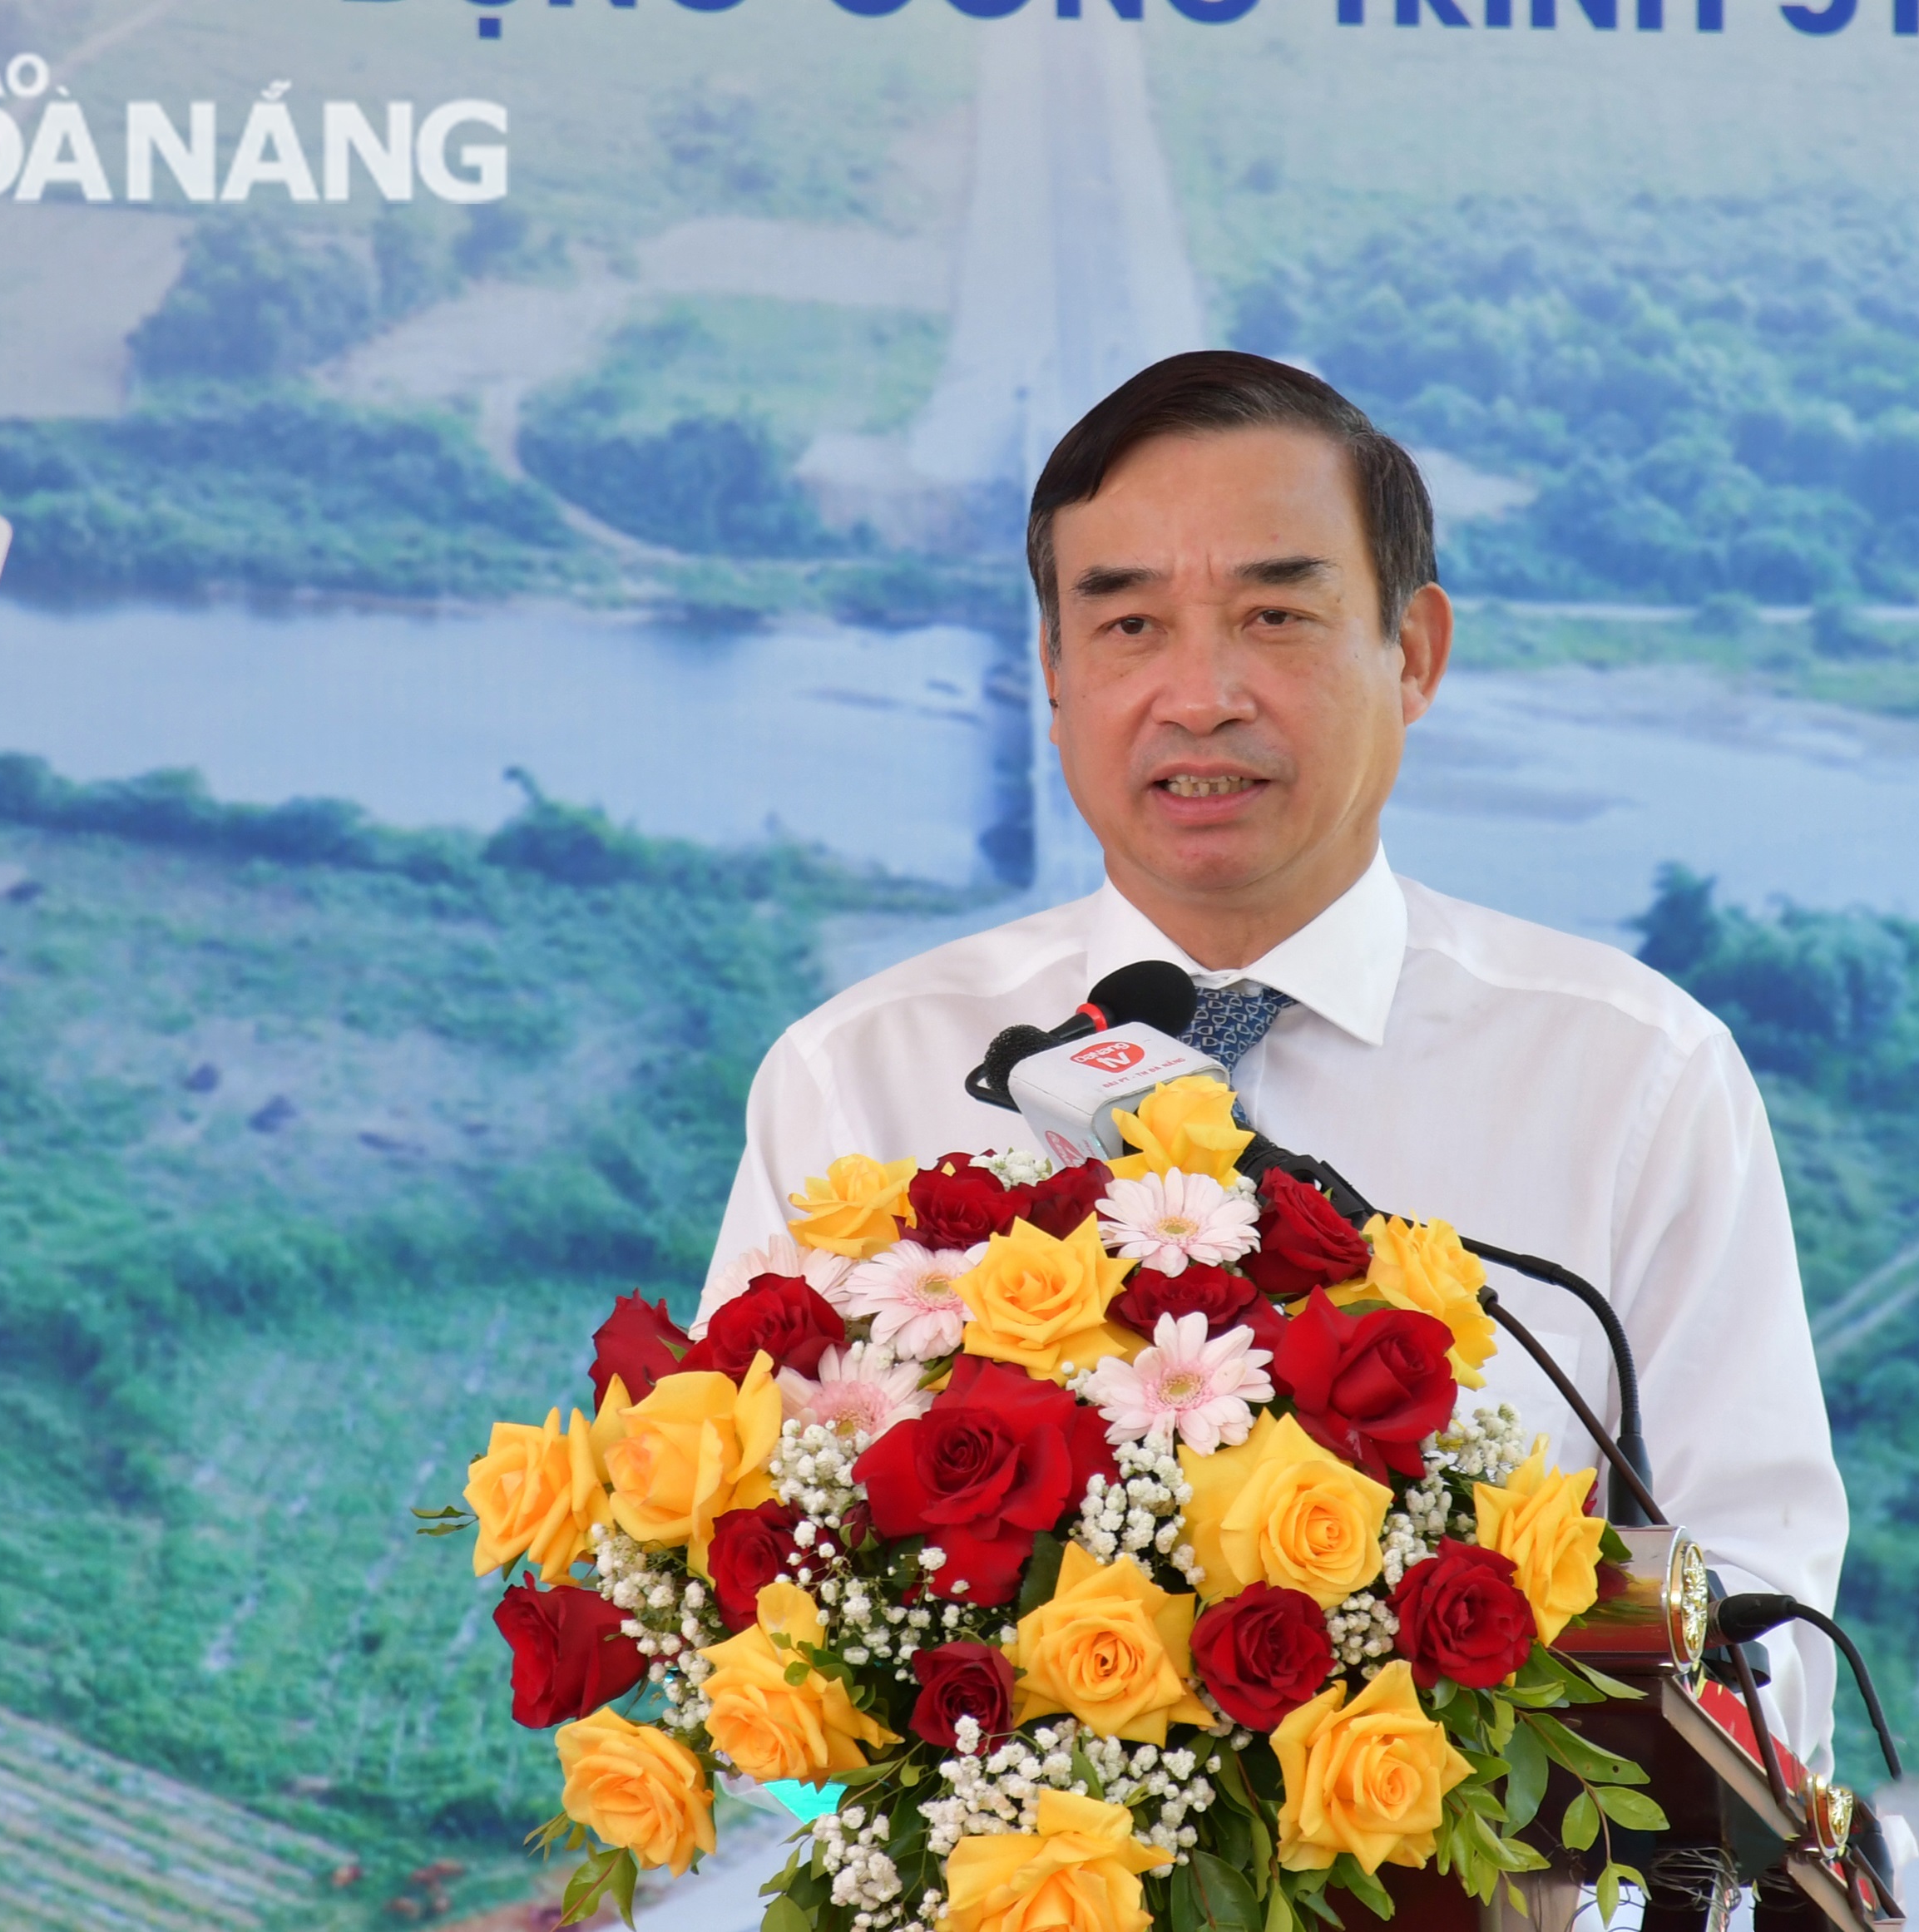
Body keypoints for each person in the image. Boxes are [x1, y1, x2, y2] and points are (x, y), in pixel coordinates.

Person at [700, 350, 1848, 1766]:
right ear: (1052, 674)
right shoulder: (863, 1075)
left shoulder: (1632, 1079)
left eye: (1275, 614)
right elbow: (742, 1617)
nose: (1200, 696)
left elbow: (1762, 1625)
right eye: (1126, 626)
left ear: (1414, 652)